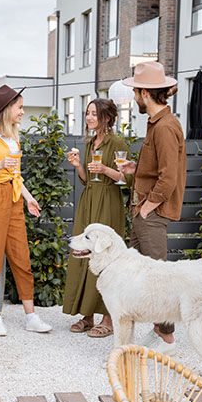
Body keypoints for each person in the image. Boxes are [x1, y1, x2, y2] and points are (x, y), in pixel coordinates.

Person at [0, 84, 53, 336]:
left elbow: (15, 174)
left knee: (22, 259)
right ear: (6, 109)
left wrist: (28, 198)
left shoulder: (14, 136)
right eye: (19, 107)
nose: (22, 112)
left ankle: (31, 316)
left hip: (15, 200)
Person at [118, 61, 187, 356]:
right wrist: (136, 169)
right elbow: (157, 170)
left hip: (151, 214)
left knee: (158, 277)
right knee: (141, 275)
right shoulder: (157, 124)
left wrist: (148, 207)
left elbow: (169, 178)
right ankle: (158, 330)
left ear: (145, 93)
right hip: (142, 211)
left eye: (135, 91)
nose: (134, 96)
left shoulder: (165, 127)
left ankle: (167, 338)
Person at [62, 98, 131, 338]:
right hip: (88, 201)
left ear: (108, 118)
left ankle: (109, 319)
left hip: (108, 203)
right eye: (88, 113)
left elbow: (125, 179)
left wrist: (104, 170)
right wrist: (78, 167)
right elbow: (87, 179)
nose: (90, 117)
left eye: (95, 114)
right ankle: (87, 314)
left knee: (107, 258)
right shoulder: (91, 143)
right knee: (83, 253)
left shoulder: (117, 142)